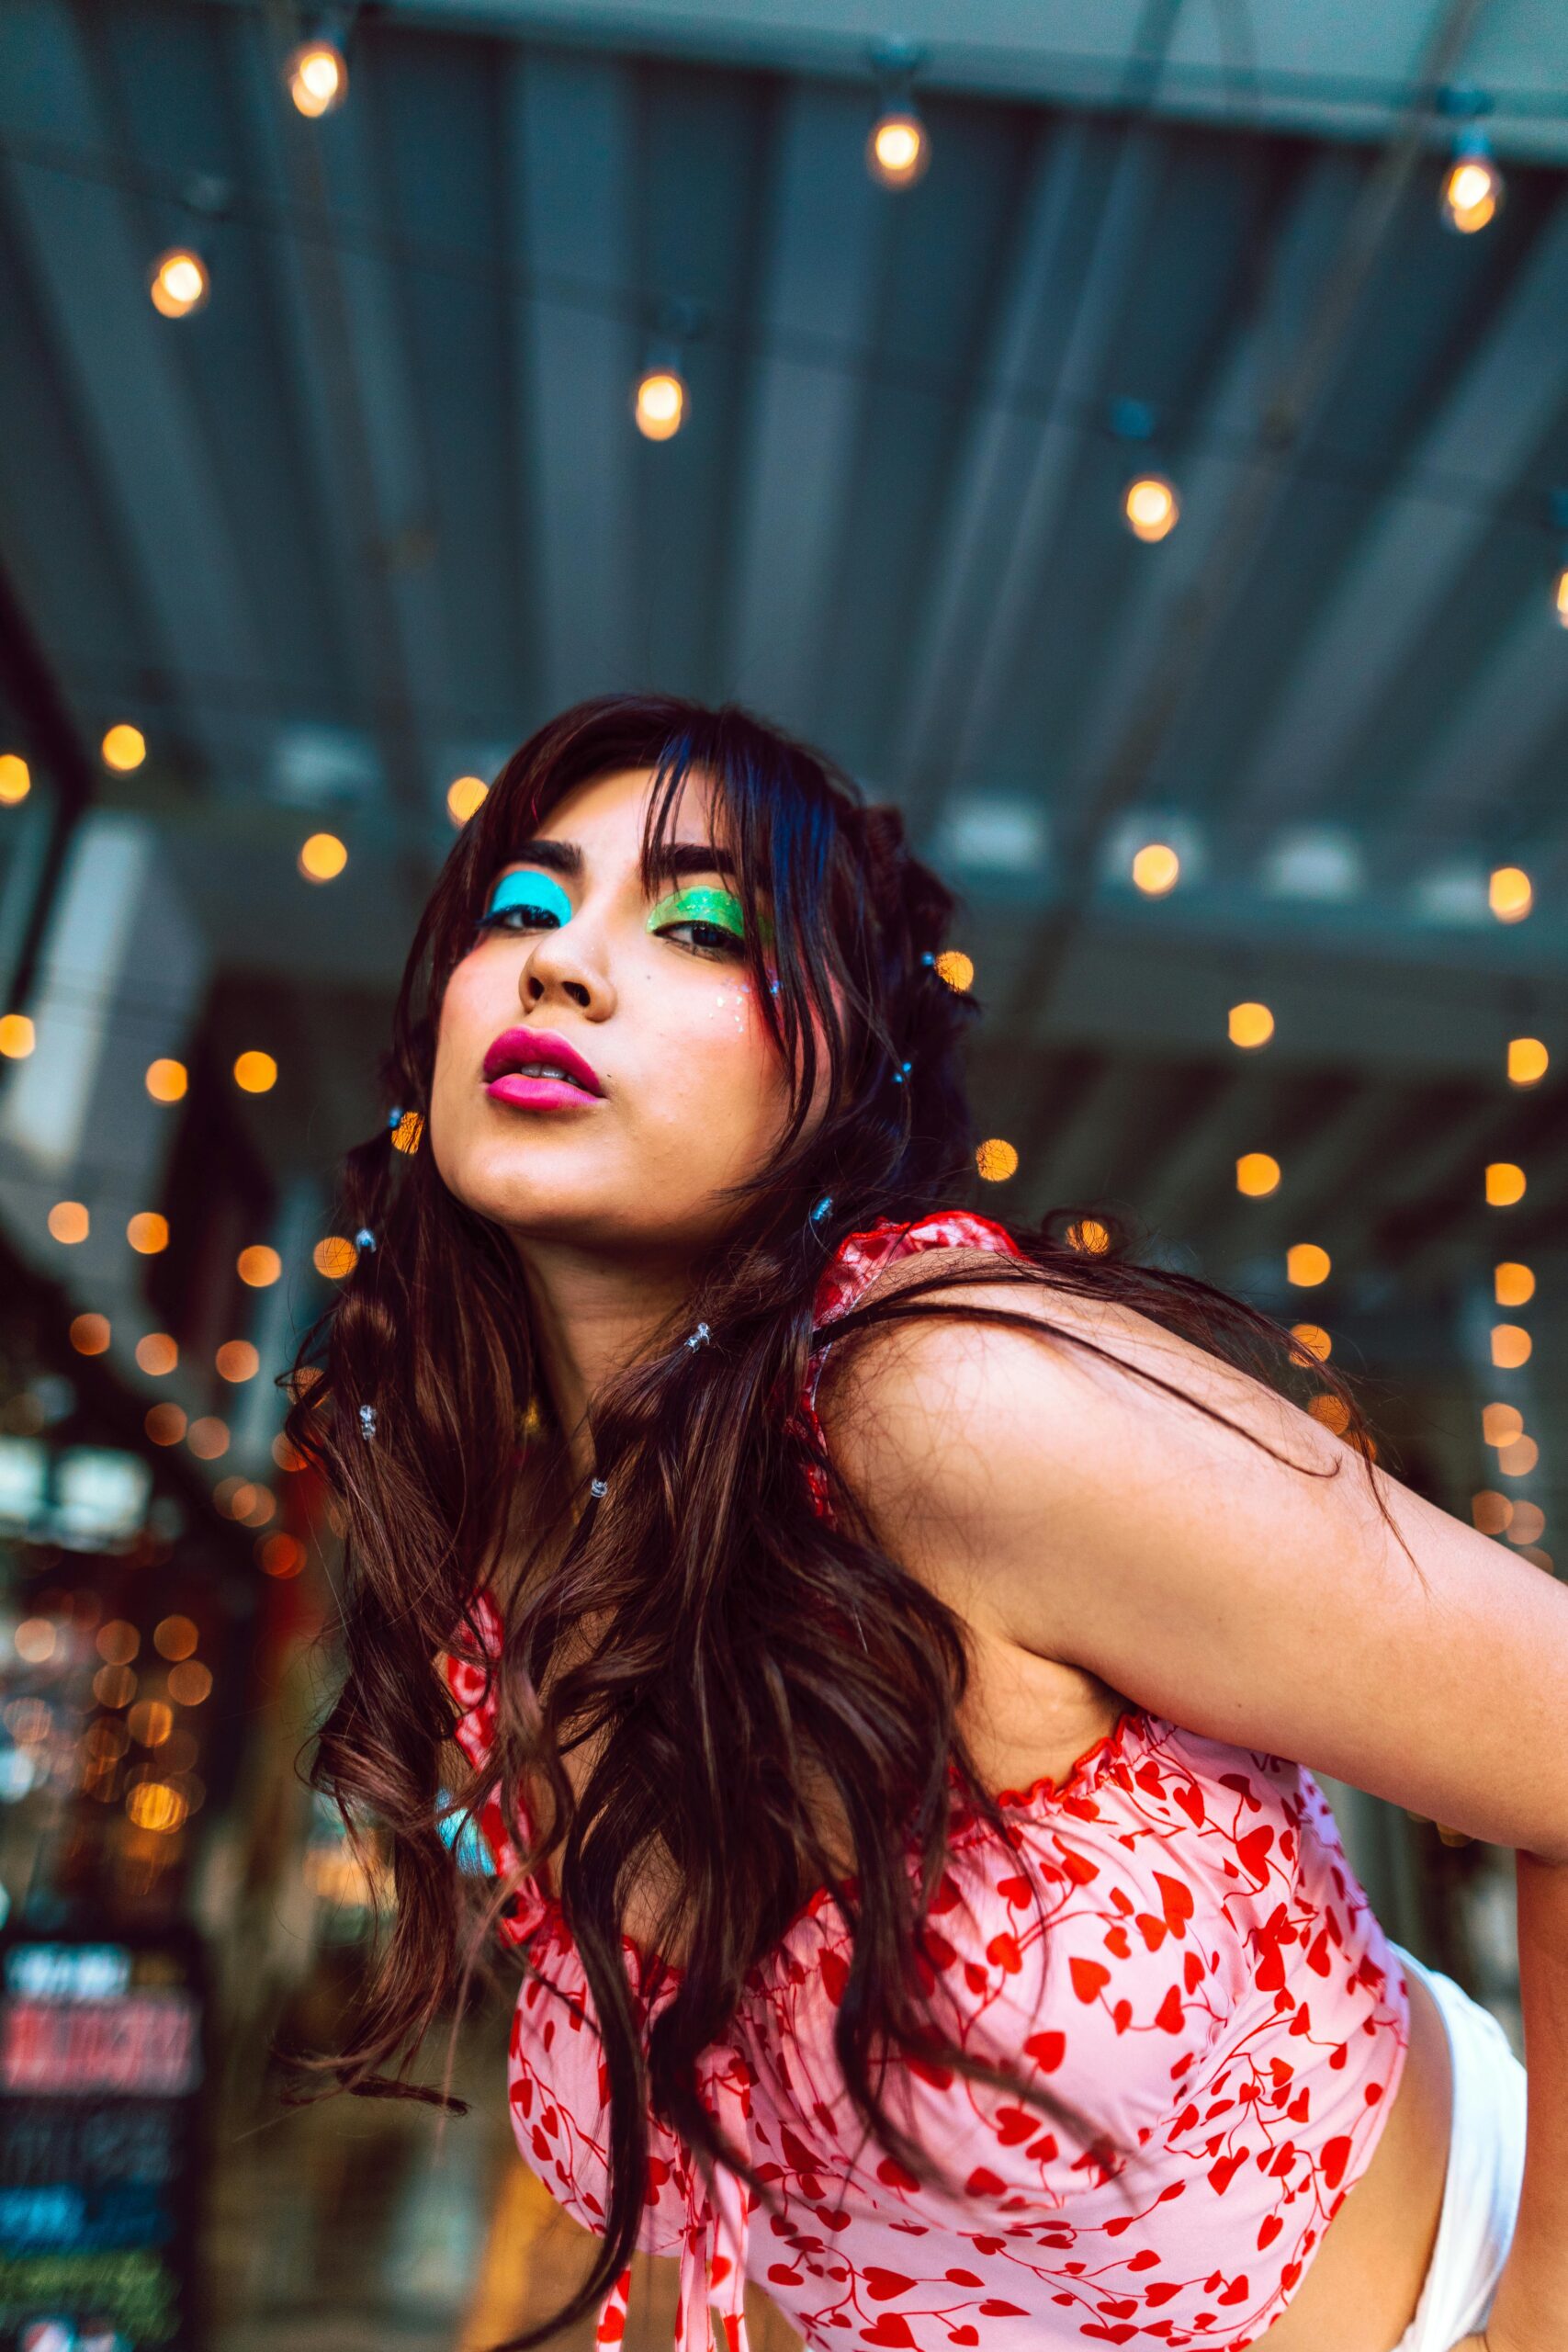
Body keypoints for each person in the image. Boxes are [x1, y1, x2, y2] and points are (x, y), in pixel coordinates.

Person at [284, 695, 1556, 2352]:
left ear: (833, 1065)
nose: (559, 966)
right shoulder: (524, 1597)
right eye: (523, 910)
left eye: (696, 928)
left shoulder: (941, 1407)